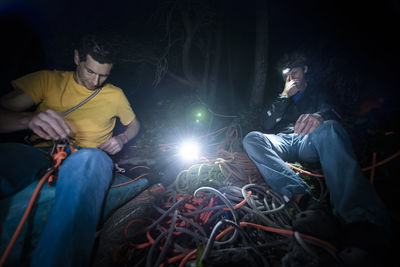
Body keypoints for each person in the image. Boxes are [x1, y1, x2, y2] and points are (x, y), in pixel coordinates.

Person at [0, 34, 140, 266]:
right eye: (90, 71)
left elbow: (135, 124)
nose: (95, 81)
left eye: (103, 75)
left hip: (88, 156)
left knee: (89, 161)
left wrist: (122, 138)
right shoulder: (47, 80)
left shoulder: (115, 95)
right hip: (40, 152)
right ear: (77, 58)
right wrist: (27, 120)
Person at [242, 52, 391, 259]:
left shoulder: (320, 91)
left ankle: (360, 221)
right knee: (252, 139)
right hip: (283, 140)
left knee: (329, 128)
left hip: (308, 140)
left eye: (294, 71)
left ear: (305, 70)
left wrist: (320, 116)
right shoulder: (281, 97)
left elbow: (335, 111)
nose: (291, 77)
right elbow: (266, 123)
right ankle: (306, 203)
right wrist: (284, 95)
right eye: (287, 74)